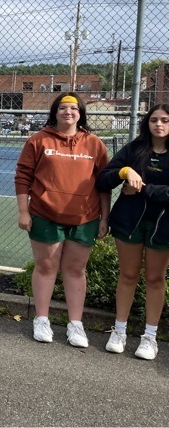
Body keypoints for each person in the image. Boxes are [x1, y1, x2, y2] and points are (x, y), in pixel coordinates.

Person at [14, 92, 109, 348]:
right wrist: (24, 211)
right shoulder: (38, 140)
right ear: (55, 112)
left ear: (81, 113)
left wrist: (104, 218)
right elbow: (23, 176)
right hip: (45, 215)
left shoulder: (95, 144)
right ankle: (42, 320)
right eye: (63, 108)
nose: (69, 112)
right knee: (46, 268)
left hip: (85, 218)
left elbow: (104, 185)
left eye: (74, 108)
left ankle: (75, 324)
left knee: (76, 270)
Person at [96, 104, 169, 360]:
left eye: (164, 120)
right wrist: (124, 172)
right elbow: (103, 179)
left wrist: (144, 189)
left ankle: (150, 337)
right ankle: (119, 331)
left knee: (154, 279)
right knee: (128, 275)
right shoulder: (134, 149)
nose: (158, 124)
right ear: (147, 123)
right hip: (129, 222)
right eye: (154, 120)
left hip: (163, 226)